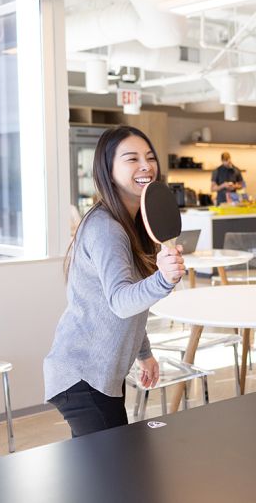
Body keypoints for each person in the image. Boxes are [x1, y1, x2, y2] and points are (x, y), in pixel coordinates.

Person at [44, 125, 185, 438]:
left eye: (149, 157)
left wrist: (144, 353)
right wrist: (162, 279)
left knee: (111, 470)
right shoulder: (106, 228)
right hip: (82, 374)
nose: (146, 166)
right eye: (131, 159)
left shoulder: (130, 224)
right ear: (107, 171)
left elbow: (131, 308)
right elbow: (121, 302)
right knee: (115, 471)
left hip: (101, 372)